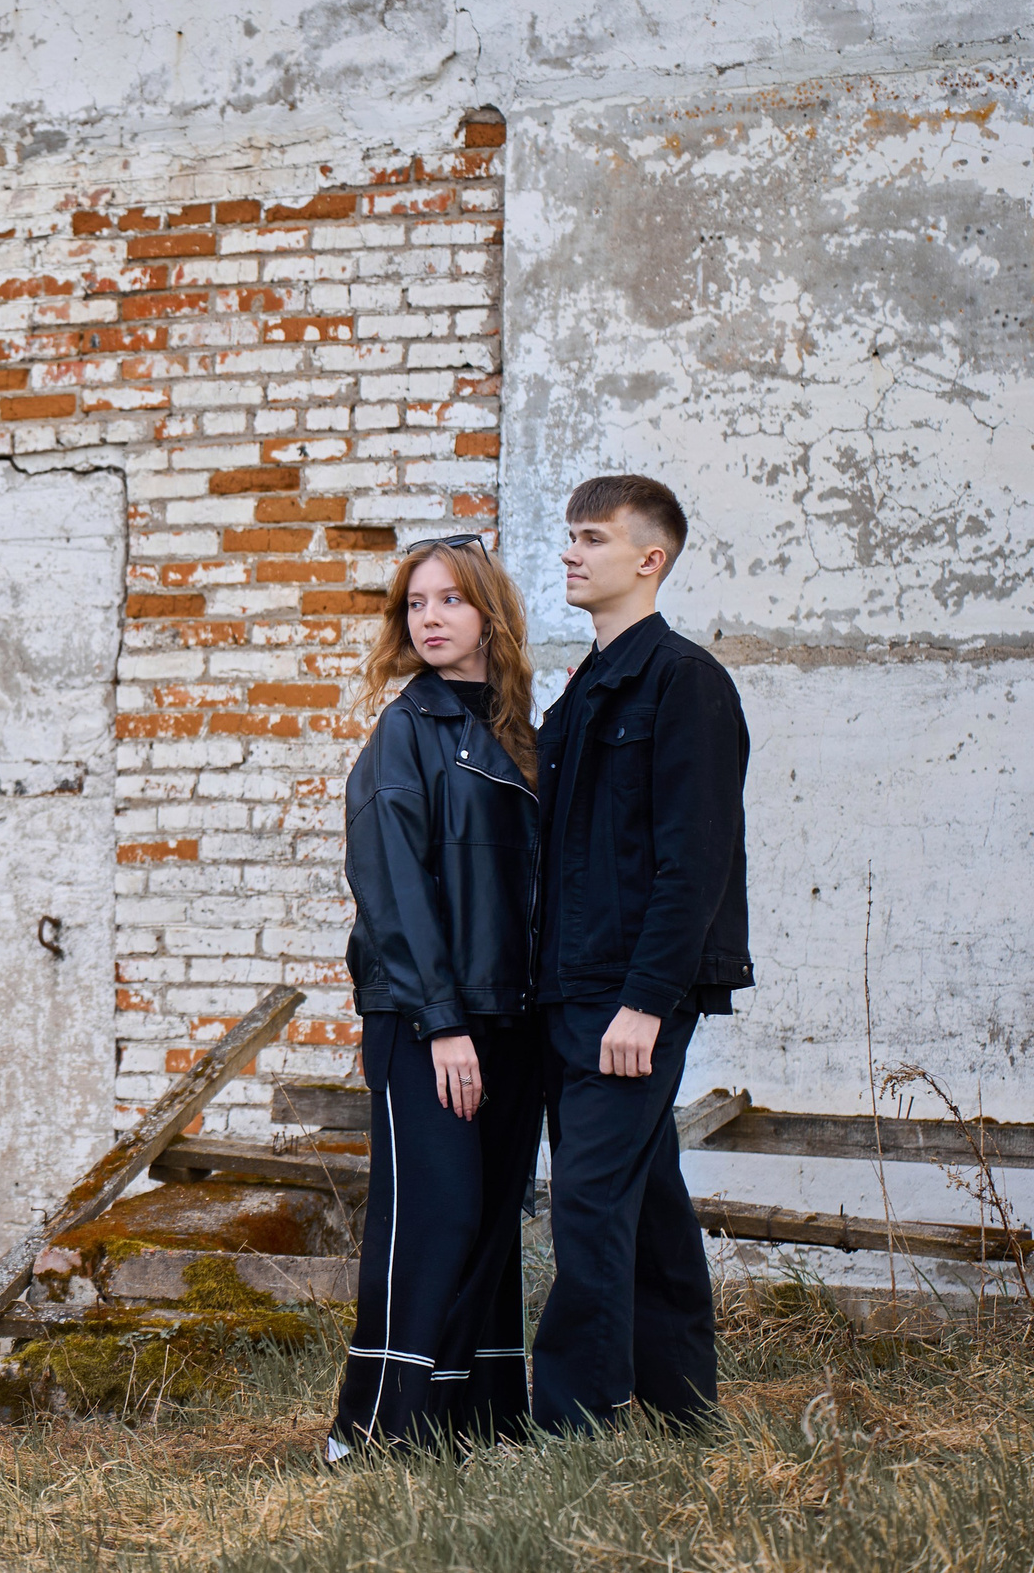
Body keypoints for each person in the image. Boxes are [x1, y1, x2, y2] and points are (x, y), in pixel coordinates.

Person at [528, 475, 754, 1434]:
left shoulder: (684, 682)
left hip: (629, 996)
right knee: (645, 1196)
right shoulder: (583, 690)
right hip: (571, 988)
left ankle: (573, 1423)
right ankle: (683, 1408)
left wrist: (648, 1000)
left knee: (587, 1200)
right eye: (570, 535)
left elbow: (695, 858)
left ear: (649, 558)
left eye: (593, 538)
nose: (570, 552)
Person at [329, 533, 546, 1458]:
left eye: (450, 599)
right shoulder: (405, 733)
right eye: (416, 603)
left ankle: (477, 1426)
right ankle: (374, 1428)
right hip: (426, 1020)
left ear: (490, 614)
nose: (430, 618)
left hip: (514, 1018)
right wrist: (442, 1022)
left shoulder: (524, 736)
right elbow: (392, 890)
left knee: (493, 1219)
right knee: (435, 1212)